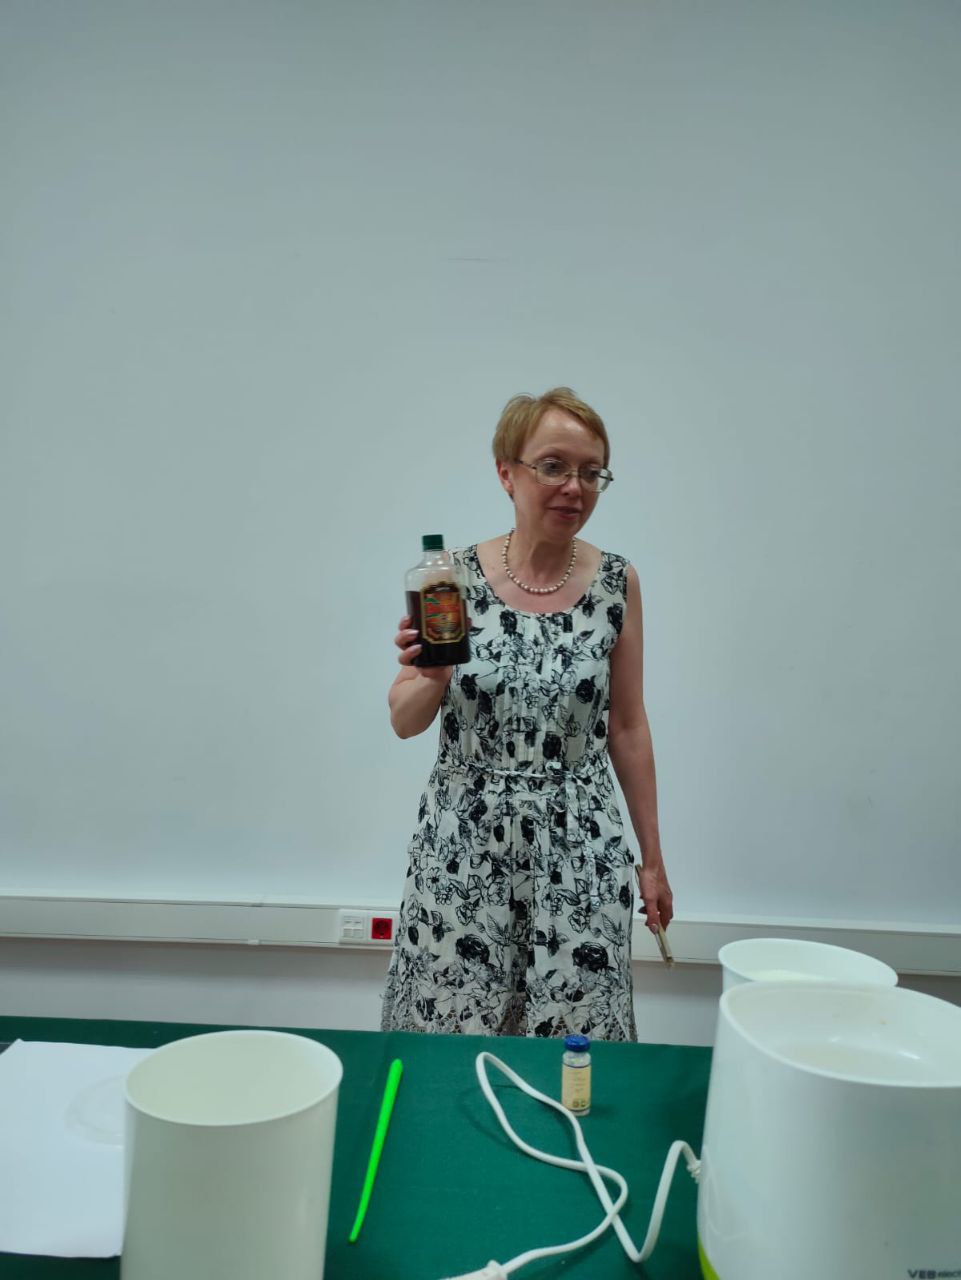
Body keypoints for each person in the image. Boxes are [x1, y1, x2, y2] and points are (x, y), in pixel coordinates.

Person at [381, 388, 673, 1040]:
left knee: (573, 1037)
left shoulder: (616, 583)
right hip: (463, 850)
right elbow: (404, 720)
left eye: (591, 472)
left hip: (581, 850)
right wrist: (432, 676)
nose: (574, 487)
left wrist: (651, 862)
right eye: (553, 466)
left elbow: (627, 727)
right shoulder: (448, 578)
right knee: (451, 1032)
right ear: (506, 472)